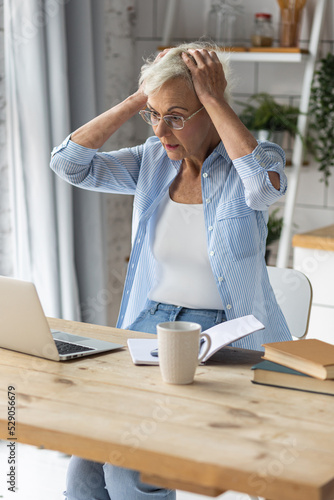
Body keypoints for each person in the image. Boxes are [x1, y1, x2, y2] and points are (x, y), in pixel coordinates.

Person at [50, 41, 292, 500]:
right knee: (83, 465)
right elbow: (69, 164)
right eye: (155, 115)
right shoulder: (152, 162)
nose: (163, 129)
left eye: (178, 116)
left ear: (211, 108)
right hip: (151, 327)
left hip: (224, 337)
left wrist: (216, 97)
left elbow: (263, 188)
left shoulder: (254, 162)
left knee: (131, 472)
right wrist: (140, 99)